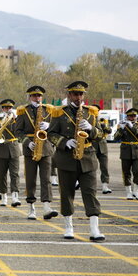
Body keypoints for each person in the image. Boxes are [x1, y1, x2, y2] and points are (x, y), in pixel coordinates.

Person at [47, 81, 105, 241]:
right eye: (75, 94)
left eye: (81, 94)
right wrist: (65, 143)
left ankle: (94, 230)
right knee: (66, 194)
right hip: (66, 159)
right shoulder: (59, 113)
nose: (79, 97)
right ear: (69, 95)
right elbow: (50, 134)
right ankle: (68, 227)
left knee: (90, 193)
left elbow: (101, 135)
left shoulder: (91, 112)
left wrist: (91, 129)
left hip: (87, 158)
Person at [14, 86, 58, 220]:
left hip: (45, 148)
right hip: (30, 149)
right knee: (31, 180)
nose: (37, 98)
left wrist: (49, 126)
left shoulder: (49, 111)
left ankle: (46, 207)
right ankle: (31, 208)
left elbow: (57, 128)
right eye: (34, 96)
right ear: (30, 97)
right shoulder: (23, 111)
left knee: (46, 180)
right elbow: (18, 131)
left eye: (39, 96)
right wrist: (27, 142)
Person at [0, 99, 21, 207]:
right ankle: (4, 196)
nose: (8, 110)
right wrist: (3, 121)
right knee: (2, 174)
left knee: (15, 174)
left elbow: (18, 133)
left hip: (14, 148)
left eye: (10, 108)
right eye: (6, 108)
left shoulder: (17, 120)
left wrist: (15, 119)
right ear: (2, 109)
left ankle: (15, 197)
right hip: (1, 149)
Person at [113, 108, 138, 200]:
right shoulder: (122, 125)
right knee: (126, 172)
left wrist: (132, 127)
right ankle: (129, 192)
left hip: (136, 150)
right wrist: (121, 129)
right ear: (127, 117)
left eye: (134, 116)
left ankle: (136, 191)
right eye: (130, 116)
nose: (132, 118)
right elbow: (115, 138)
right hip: (125, 151)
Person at [92, 107, 113, 194]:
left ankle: (105, 185)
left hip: (103, 147)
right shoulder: (89, 120)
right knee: (91, 167)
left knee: (104, 167)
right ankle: (90, 184)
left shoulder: (103, 120)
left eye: (97, 111)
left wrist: (104, 126)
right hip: (92, 146)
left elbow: (110, 130)